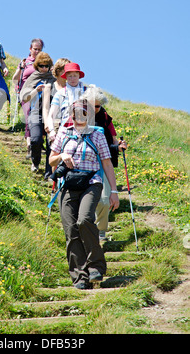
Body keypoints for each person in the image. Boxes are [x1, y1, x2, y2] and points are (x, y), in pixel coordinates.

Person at [49, 99, 119, 289]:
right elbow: (51, 160)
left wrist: (113, 191)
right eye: (77, 112)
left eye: (84, 112)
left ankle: (96, 266)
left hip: (91, 183)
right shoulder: (64, 132)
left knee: (84, 220)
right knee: (71, 230)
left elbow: (106, 163)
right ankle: (80, 276)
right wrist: (62, 156)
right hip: (68, 185)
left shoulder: (97, 135)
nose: (80, 116)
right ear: (72, 114)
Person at [82, 85, 127, 241]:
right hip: (81, 163)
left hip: (103, 163)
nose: (96, 109)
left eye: (98, 106)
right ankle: (86, 228)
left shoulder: (106, 118)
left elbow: (114, 141)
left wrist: (119, 146)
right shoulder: (77, 115)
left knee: (104, 199)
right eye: (92, 105)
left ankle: (101, 230)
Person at [20, 52, 55, 177]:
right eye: (41, 66)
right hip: (35, 111)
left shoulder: (53, 78)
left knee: (52, 143)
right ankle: (35, 161)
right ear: (37, 66)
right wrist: (36, 90)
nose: (44, 68)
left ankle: (49, 172)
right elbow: (24, 97)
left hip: (52, 113)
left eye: (46, 66)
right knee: (36, 139)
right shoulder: (33, 78)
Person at [12, 39, 44, 158]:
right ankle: (30, 146)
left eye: (39, 49)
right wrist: (20, 68)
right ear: (30, 49)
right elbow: (15, 79)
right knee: (29, 117)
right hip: (26, 94)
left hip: (40, 95)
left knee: (39, 119)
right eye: (35, 49)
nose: (36, 51)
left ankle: (37, 142)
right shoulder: (25, 62)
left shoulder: (44, 63)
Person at [46, 62, 87, 142]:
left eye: (75, 76)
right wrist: (51, 131)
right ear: (66, 77)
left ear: (79, 76)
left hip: (85, 132)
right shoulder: (60, 94)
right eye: (70, 76)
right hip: (65, 132)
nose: (72, 79)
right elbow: (51, 115)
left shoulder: (87, 92)